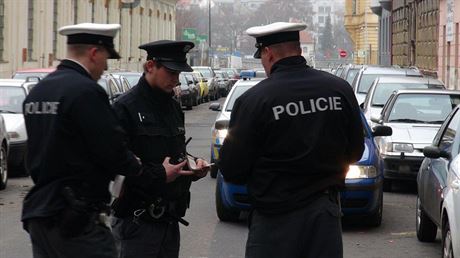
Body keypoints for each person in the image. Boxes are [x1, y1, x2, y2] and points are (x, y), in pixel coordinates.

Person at [21, 23, 183, 258]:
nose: (106, 67)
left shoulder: (39, 91)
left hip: (40, 213)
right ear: (94, 53)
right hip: (77, 217)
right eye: (106, 58)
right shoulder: (86, 91)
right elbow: (114, 153)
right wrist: (156, 173)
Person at [219, 22, 365, 258]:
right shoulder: (339, 89)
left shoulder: (254, 100)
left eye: (262, 57)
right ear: (298, 49)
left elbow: (232, 168)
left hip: (273, 219)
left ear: (268, 53)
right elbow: (356, 150)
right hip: (324, 216)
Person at [111, 40, 210, 258]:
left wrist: (193, 166)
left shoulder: (173, 107)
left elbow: (175, 152)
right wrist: (159, 175)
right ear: (150, 67)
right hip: (137, 221)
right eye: (171, 72)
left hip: (168, 220)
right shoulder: (125, 108)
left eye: (179, 74)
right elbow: (116, 165)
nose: (176, 80)